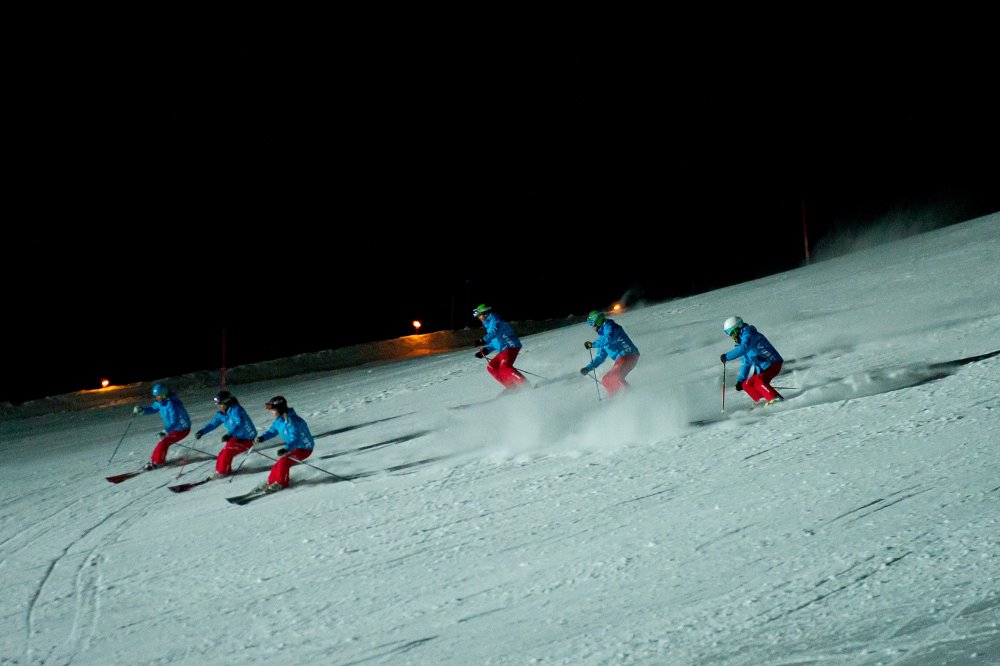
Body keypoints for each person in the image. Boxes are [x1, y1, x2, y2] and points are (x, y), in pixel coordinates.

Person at [253, 396, 314, 493]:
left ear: (280, 409)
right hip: (294, 447)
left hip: (304, 448)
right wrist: (262, 437)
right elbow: (272, 431)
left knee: (284, 462)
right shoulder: (279, 420)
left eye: (273, 410)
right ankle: (271, 482)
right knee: (277, 465)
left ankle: (282, 483)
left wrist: (286, 448)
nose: (271, 412)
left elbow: (296, 439)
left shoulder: (292, 422)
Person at [719, 315, 784, 404]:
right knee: (746, 385)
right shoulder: (740, 342)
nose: (731, 337)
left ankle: (775, 398)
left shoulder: (749, 334)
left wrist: (727, 356)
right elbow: (746, 362)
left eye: (731, 333)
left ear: (736, 329)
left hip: (772, 363)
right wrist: (740, 380)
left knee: (759, 381)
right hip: (762, 368)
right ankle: (761, 400)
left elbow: (744, 347)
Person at [194, 390, 258, 479]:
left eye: (220, 404)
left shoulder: (236, 410)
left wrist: (229, 434)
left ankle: (223, 472)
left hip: (247, 439)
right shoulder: (222, 414)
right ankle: (220, 471)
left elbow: (238, 424)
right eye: (217, 405)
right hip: (236, 437)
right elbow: (212, 424)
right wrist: (202, 431)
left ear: (226, 403)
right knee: (222, 453)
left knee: (227, 453)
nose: (218, 406)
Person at [579, 310, 640, 396]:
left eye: (591, 324)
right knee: (607, 379)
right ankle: (617, 397)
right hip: (624, 358)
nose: (592, 327)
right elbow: (600, 357)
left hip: (628, 355)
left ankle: (629, 396)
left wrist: (592, 344)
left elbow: (609, 338)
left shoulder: (610, 327)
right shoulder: (602, 339)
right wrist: (587, 368)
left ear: (598, 322)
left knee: (612, 377)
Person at [132, 383, 192, 470]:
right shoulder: (159, 403)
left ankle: (159, 462)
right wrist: (142, 411)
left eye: (160, 396)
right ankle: (154, 460)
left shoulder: (172, 404)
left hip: (182, 429)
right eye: (156, 396)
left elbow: (175, 421)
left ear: (165, 394)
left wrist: (165, 431)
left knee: (164, 442)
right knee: (162, 442)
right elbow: (154, 408)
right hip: (173, 429)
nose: (158, 398)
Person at [472, 303, 528, 391]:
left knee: (504, 368)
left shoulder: (495, 319)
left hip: (510, 346)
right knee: (492, 367)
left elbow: (495, 332)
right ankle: (511, 386)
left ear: (485, 313)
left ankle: (524, 384)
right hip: (503, 349)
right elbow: (495, 342)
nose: (479, 318)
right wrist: (485, 350)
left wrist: (482, 340)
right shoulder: (489, 325)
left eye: (480, 316)